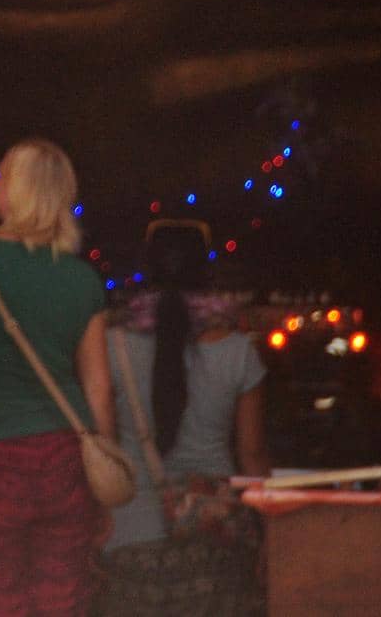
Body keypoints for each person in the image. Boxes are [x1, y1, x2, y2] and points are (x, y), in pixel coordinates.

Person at [0, 138, 113, 617]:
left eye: (0, 176)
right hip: (65, 456)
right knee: (61, 598)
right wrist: (102, 475)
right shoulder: (83, 280)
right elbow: (98, 386)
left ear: (22, 191)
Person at [97, 230, 269, 617]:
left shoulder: (112, 346)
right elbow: (253, 454)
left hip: (129, 541)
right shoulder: (239, 352)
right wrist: (268, 537)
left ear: (147, 273)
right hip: (217, 544)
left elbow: (100, 442)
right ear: (207, 274)